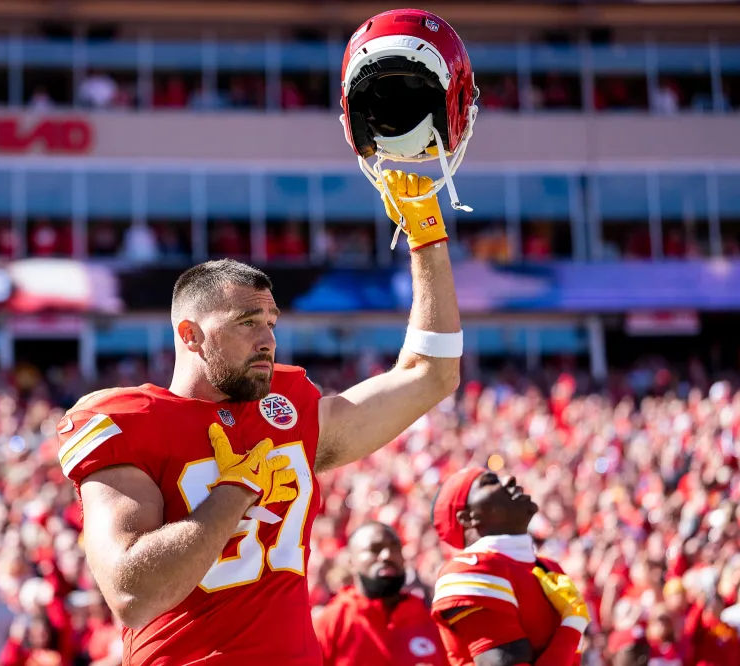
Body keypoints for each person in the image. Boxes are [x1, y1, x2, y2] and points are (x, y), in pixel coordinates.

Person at [58, 12, 472, 662]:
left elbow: (430, 375)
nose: (268, 338)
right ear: (190, 335)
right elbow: (131, 592)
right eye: (247, 323)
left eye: (272, 321)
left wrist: (424, 236)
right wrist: (232, 496)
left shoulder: (287, 411)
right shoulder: (125, 419)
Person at [428, 468, 591, 666]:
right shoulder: (470, 569)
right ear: (468, 518)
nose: (509, 479)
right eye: (488, 482)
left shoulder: (546, 565)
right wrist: (573, 624)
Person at [313, 522, 448, 666]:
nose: (387, 555)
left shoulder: (430, 620)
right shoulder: (330, 622)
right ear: (351, 562)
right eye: (375, 549)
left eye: (395, 547)